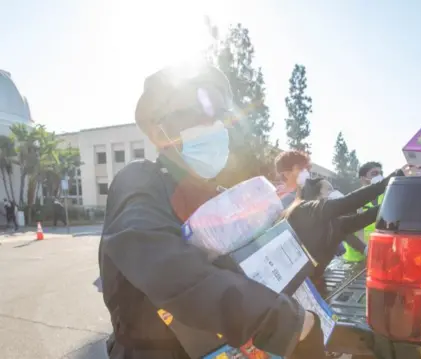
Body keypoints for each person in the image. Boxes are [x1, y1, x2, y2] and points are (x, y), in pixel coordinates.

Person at [99, 61, 324, 359]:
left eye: (219, 116)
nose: (213, 127)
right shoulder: (140, 181)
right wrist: (280, 320)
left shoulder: (216, 195)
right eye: (194, 115)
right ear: (158, 132)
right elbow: (167, 268)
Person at [285, 168, 405, 278]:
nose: (334, 192)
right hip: (290, 281)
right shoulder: (305, 210)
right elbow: (350, 202)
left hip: (313, 281)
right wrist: (392, 179)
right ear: (316, 196)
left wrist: (400, 200)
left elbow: (364, 218)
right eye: (329, 190)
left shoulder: (334, 225)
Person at [299, 178, 366, 260]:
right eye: (329, 190)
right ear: (318, 197)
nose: (334, 193)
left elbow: (354, 241)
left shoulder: (333, 221)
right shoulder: (304, 223)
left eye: (333, 189)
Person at [342, 161, 384, 263]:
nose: (379, 176)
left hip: (380, 257)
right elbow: (344, 232)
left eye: (381, 173)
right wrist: (365, 250)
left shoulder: (386, 197)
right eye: (374, 174)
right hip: (356, 261)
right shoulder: (353, 201)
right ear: (363, 178)